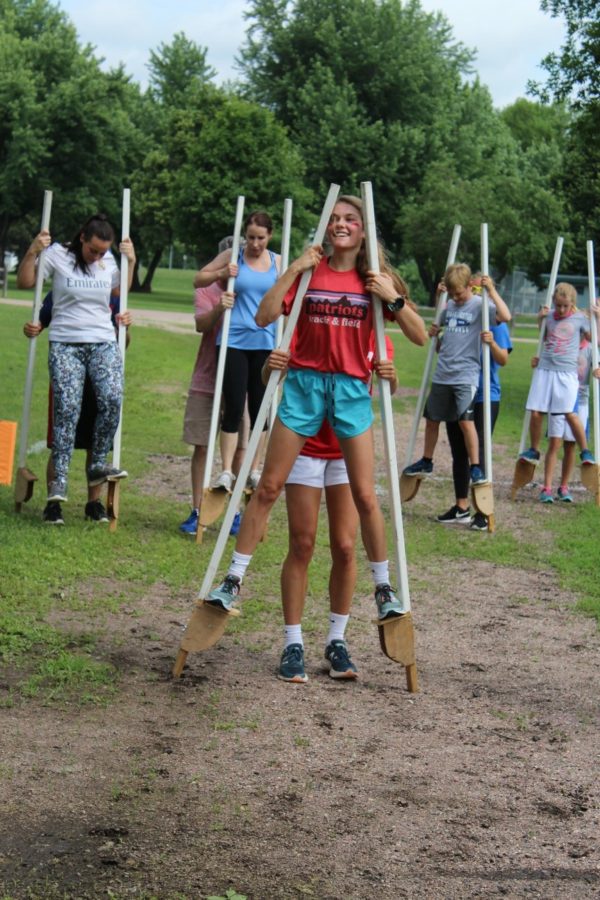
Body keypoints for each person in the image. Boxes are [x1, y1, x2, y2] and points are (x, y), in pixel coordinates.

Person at [206, 194, 427, 624]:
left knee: (366, 495)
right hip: (304, 386)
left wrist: (393, 300)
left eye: (350, 219)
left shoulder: (376, 278)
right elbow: (265, 316)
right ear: (326, 227)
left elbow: (419, 336)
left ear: (363, 230)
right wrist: (293, 269)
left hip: (349, 392)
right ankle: (233, 579)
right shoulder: (311, 273)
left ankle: (383, 586)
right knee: (268, 487)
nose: (341, 224)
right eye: (335, 219)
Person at [266, 337, 398, 683]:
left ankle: (336, 640)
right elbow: (269, 375)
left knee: (344, 546)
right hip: (305, 448)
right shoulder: (306, 323)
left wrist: (391, 376)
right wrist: (271, 364)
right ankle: (293, 643)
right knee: (302, 544)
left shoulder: (375, 334)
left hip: (344, 454)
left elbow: (385, 389)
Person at [18, 213, 135, 504]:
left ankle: (97, 464)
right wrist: (33, 250)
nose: (97, 257)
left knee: (112, 398)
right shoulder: (57, 254)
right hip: (66, 343)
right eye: (93, 250)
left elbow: (120, 292)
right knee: (67, 408)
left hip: (102, 341)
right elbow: (25, 282)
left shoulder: (108, 261)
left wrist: (129, 262)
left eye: (103, 252)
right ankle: (58, 480)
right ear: (82, 237)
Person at [23, 290, 132, 524]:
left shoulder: (111, 295)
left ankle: (93, 504)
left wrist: (125, 330)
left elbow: (123, 343)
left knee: (96, 442)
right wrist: (33, 327)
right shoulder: (67, 285)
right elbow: (40, 320)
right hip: (68, 372)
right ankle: (53, 504)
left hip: (99, 378)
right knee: (61, 440)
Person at [194, 211, 280, 493]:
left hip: (265, 343)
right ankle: (227, 471)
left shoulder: (278, 262)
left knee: (260, 410)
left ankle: (254, 469)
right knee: (232, 407)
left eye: (261, 238)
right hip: (232, 341)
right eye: (251, 237)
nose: (255, 244)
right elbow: (199, 279)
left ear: (270, 236)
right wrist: (221, 274)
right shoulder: (234, 255)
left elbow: (291, 297)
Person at [403, 263, 511, 485]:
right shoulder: (449, 305)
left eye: (459, 293)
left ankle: (475, 467)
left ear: (470, 285)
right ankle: (427, 460)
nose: (456, 297)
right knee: (432, 419)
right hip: (443, 374)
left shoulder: (480, 306)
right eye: (451, 294)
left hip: (465, 376)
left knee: (465, 422)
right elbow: (441, 344)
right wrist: (436, 332)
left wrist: (491, 289)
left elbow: (505, 316)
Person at [179, 239, 249, 537]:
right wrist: (220, 308)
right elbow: (201, 325)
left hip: (241, 379)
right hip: (208, 378)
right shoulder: (207, 289)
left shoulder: (251, 289)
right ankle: (198, 509)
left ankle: (234, 512)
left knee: (239, 448)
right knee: (202, 445)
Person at [437, 275, 513, 531]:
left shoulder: (493, 319)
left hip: (485, 395)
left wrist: (491, 343)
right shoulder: (462, 314)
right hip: (456, 386)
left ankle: (483, 511)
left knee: (479, 453)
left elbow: (503, 360)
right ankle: (461, 506)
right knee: (458, 449)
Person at [519, 283, 598, 473]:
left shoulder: (580, 318)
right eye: (559, 305)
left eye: (566, 306)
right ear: (554, 301)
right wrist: (540, 320)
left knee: (569, 413)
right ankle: (534, 449)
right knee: (536, 412)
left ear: (572, 303)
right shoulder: (550, 316)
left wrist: (599, 319)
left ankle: (585, 450)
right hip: (545, 370)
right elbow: (545, 337)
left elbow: (596, 340)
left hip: (566, 373)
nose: (562, 309)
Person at [537, 335, 599, 503]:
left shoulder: (591, 349)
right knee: (555, 443)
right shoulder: (562, 346)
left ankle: (564, 486)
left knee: (570, 446)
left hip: (581, 401)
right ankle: (547, 487)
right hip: (559, 399)